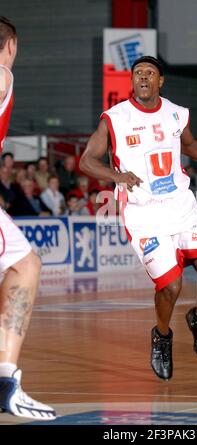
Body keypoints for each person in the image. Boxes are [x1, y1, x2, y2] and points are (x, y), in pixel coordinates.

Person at [80, 55, 197, 381]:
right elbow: (87, 161)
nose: (143, 77)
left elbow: (190, 146)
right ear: (132, 80)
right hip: (144, 214)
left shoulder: (176, 113)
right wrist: (116, 176)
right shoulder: (114, 118)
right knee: (171, 286)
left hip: (182, 205)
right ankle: (162, 336)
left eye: (150, 73)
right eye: (137, 73)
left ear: (160, 81)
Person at [0, 17, 56, 419]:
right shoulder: (3, 72)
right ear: (12, 44)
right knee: (24, 264)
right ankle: (5, 383)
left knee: (24, 261)